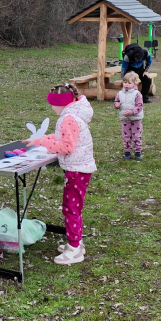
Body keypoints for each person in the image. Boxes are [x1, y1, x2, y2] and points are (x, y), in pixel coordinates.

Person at [27, 83, 96, 265]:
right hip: (78, 168)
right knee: (71, 207)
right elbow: (61, 137)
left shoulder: (68, 119)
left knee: (71, 209)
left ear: (60, 103)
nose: (51, 107)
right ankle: (76, 242)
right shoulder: (72, 114)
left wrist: (43, 143)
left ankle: (74, 249)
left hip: (77, 170)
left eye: (52, 104)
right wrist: (40, 140)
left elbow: (66, 147)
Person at [114, 72, 145, 161]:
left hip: (136, 119)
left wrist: (131, 112)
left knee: (136, 135)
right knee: (126, 135)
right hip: (125, 119)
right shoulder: (120, 93)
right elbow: (116, 102)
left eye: (129, 83)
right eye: (125, 82)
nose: (126, 85)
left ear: (134, 84)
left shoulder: (137, 94)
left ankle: (138, 152)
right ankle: (127, 152)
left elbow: (139, 106)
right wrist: (117, 105)